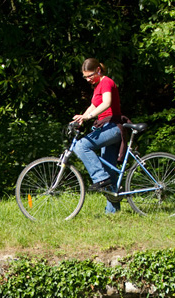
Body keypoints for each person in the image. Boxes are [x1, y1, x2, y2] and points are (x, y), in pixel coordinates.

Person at [72, 58, 122, 213]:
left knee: (81, 146)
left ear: (98, 70)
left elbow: (106, 103)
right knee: (109, 169)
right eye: (85, 77)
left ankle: (100, 178)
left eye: (90, 75)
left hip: (112, 126)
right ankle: (112, 211)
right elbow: (94, 105)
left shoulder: (106, 82)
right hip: (106, 126)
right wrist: (81, 118)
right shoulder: (98, 86)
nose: (88, 79)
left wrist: (89, 117)